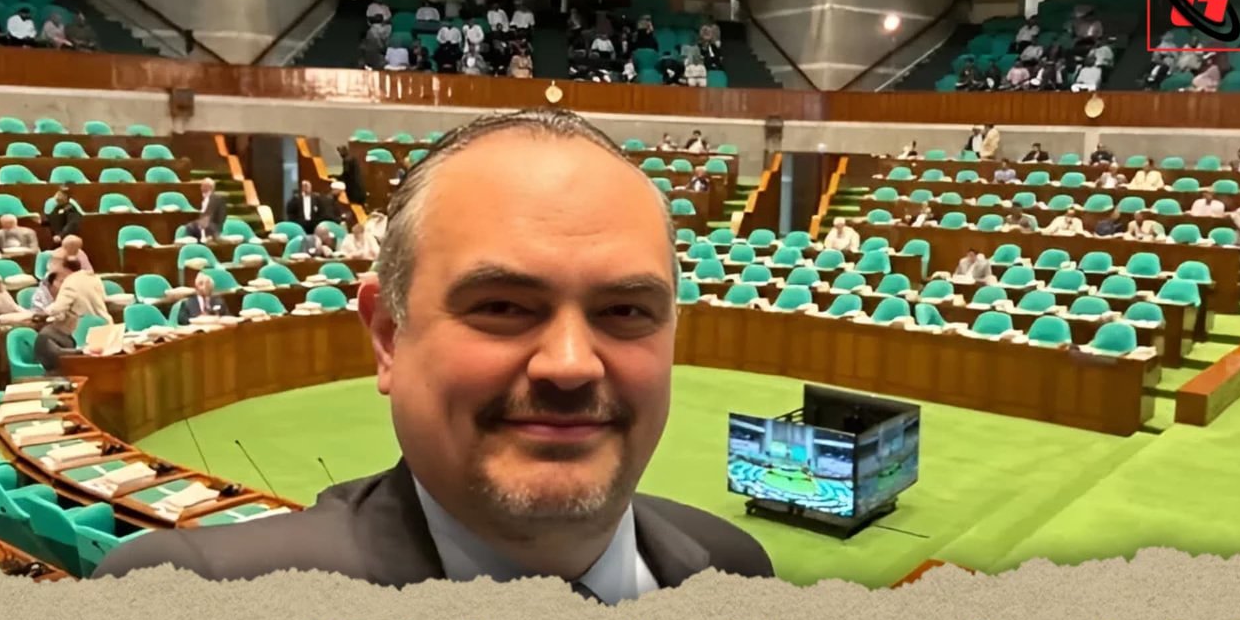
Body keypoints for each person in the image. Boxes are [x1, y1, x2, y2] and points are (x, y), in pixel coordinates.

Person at [93, 110, 778, 591]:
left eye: (625, 311)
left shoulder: (732, 569)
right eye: (503, 307)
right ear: (388, 336)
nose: (570, 364)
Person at [42, 268, 110, 337]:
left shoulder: (70, 285)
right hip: (106, 325)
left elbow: (58, 307)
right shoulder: (92, 277)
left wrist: (44, 310)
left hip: (84, 330)